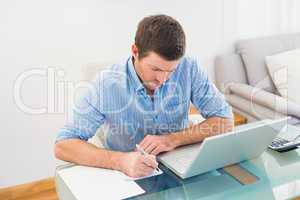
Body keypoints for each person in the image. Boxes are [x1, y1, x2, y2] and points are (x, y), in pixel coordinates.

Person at [54, 14, 233, 178]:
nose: (163, 79)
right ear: (135, 51)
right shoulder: (106, 84)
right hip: (129, 174)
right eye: (155, 69)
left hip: (180, 165)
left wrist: (172, 139)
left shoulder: (189, 67)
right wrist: (120, 161)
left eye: (171, 71)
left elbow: (225, 121)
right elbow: (64, 145)